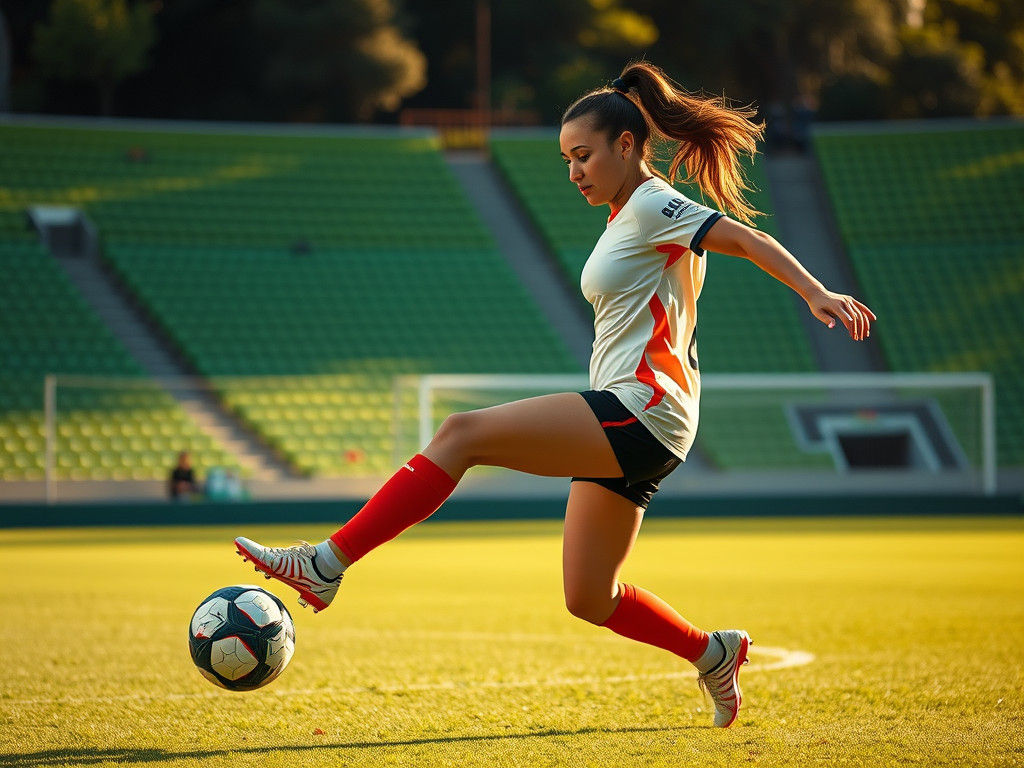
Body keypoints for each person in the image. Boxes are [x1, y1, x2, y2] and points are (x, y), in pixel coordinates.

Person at [233, 61, 875, 728]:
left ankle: (325, 564)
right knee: (589, 597)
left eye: (584, 155)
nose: (574, 171)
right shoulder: (629, 213)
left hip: (643, 408)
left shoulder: (655, 203)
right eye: (567, 158)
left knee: (461, 434)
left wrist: (815, 293)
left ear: (626, 146)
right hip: (647, 421)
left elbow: (744, 237)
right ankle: (712, 653)